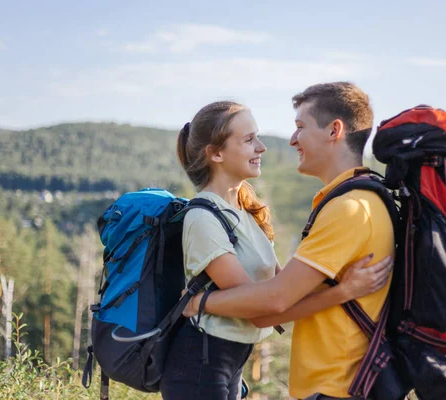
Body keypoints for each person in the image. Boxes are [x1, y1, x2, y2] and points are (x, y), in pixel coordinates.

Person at [159, 100, 392, 400]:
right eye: (248, 140)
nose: (261, 147)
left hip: (229, 361)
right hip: (200, 364)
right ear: (216, 153)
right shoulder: (203, 218)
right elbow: (263, 311)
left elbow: (285, 295)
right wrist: (342, 292)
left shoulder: (244, 213)